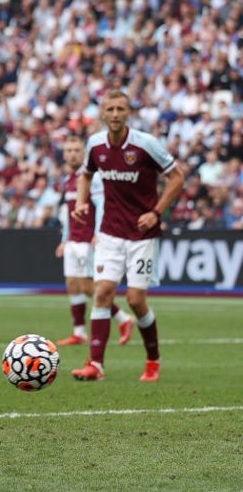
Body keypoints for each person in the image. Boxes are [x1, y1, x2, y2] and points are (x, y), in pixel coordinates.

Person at [70, 90, 185, 382]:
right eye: (110, 109)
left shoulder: (146, 145)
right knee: (103, 292)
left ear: (128, 112)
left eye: (120, 108)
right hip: (109, 232)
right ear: (103, 114)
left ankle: (152, 360)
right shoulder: (95, 145)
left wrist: (157, 212)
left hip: (142, 234)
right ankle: (95, 365)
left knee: (135, 299)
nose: (115, 114)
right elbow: (85, 174)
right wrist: (82, 203)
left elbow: (177, 177)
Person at [55, 135, 134, 346]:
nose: (72, 153)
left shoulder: (93, 178)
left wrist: (98, 233)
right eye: (69, 150)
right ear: (64, 154)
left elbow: (101, 206)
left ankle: (124, 319)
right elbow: (69, 213)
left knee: (89, 287)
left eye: (76, 150)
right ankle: (79, 332)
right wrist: (64, 240)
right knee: (72, 284)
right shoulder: (69, 180)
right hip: (73, 240)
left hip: (88, 240)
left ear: (84, 153)